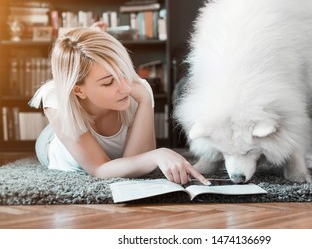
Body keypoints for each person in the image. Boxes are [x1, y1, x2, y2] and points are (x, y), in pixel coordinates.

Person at [29, 26, 210, 186]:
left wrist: (145, 101)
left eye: (123, 73)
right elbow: (99, 169)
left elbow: (135, 166)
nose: (125, 88)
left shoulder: (135, 89)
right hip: (53, 141)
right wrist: (158, 154)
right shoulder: (55, 98)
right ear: (78, 90)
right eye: (108, 82)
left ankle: (91, 36)